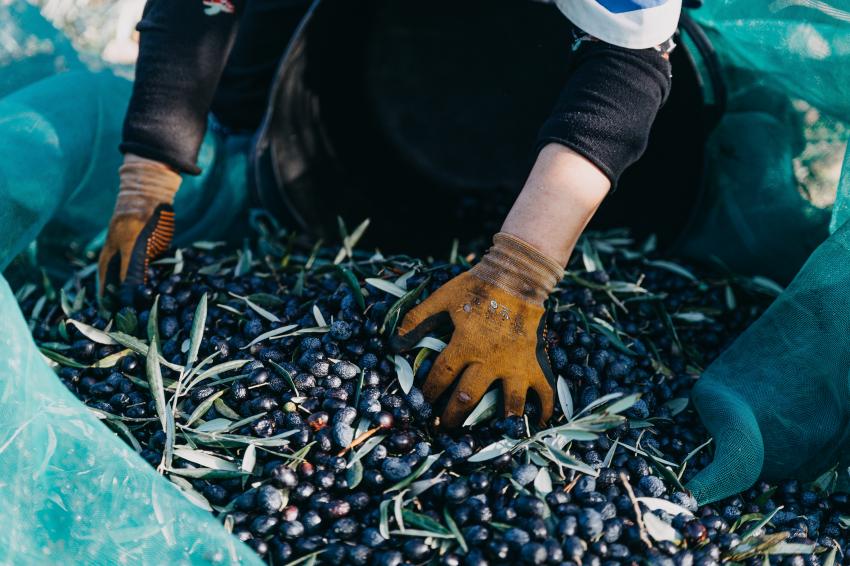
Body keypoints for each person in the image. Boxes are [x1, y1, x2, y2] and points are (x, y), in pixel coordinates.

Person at [98, 0, 679, 427]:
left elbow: (626, 67)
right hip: (356, 49)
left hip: (547, 56)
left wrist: (521, 273)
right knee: (246, 78)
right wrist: (149, 167)